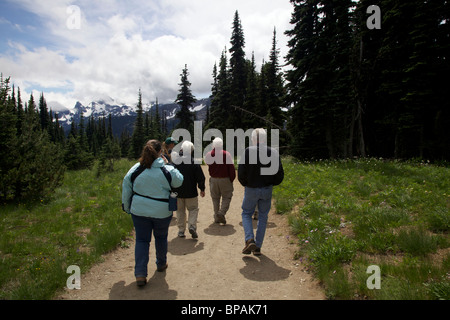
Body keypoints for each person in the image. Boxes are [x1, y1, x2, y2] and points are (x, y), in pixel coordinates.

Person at [122, 140, 184, 287]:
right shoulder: (166, 169)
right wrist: (168, 163)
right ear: (160, 153)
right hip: (162, 211)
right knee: (161, 237)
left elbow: (126, 186)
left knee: (142, 240)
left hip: (139, 210)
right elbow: (179, 181)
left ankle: (140, 274)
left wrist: (126, 206)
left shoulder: (136, 168)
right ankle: (161, 264)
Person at [238, 128, 284, 256]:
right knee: (263, 216)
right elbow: (280, 174)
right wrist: (271, 183)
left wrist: (245, 184)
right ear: (264, 139)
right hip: (267, 189)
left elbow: (241, 172)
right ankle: (258, 247)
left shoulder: (248, 151)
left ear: (253, 139)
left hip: (251, 188)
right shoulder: (273, 152)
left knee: (246, 213)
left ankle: (249, 239)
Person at [173, 141, 206, 239]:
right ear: (191, 151)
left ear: (181, 149)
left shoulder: (175, 161)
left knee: (180, 211)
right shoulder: (194, 162)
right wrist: (202, 188)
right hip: (191, 192)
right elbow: (200, 177)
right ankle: (191, 226)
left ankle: (181, 230)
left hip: (177, 192)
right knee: (193, 209)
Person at [205, 137, 236, 225]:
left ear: (213, 145)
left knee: (215, 198)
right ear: (221, 144)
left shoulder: (208, 154)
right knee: (227, 197)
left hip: (214, 179)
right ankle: (221, 213)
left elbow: (207, 163)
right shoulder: (227, 154)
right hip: (225, 179)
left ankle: (216, 217)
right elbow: (231, 168)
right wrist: (231, 179)